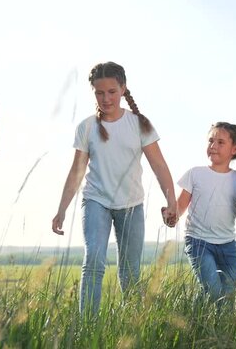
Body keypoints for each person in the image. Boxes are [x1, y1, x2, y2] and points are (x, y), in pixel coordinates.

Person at [52, 61, 177, 316]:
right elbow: (77, 171)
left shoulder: (139, 124)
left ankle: (129, 326)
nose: (106, 98)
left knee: (130, 272)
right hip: (96, 200)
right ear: (93, 93)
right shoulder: (86, 127)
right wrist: (61, 210)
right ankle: (87, 326)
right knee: (94, 259)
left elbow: (159, 165)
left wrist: (171, 200)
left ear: (123, 89)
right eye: (99, 92)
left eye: (111, 91)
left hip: (131, 204)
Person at [163, 122, 236, 310]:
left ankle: (206, 327)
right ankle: (197, 323)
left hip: (227, 247)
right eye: (210, 141)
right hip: (198, 242)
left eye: (220, 142)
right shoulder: (196, 174)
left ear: (234, 149)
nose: (213, 146)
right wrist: (171, 215)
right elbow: (180, 206)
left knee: (227, 300)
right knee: (214, 292)